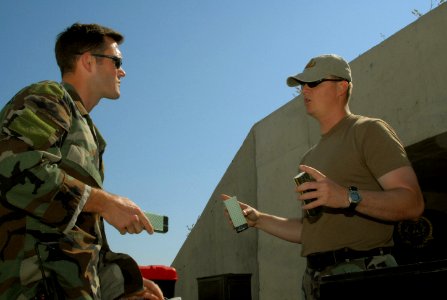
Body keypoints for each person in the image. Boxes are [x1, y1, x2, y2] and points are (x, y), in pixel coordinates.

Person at [221, 54, 424, 300]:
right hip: (316, 279)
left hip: (364, 275)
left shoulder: (368, 130)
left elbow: (412, 203)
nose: (304, 89)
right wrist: (258, 219)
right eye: (302, 84)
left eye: (314, 82)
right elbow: (311, 232)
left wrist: (347, 197)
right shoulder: (308, 158)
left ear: (342, 87)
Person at [0, 23, 164, 300]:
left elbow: (79, 232)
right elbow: (12, 169)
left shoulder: (89, 132)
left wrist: (121, 284)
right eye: (117, 61)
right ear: (88, 61)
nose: (122, 71)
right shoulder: (49, 97)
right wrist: (106, 202)